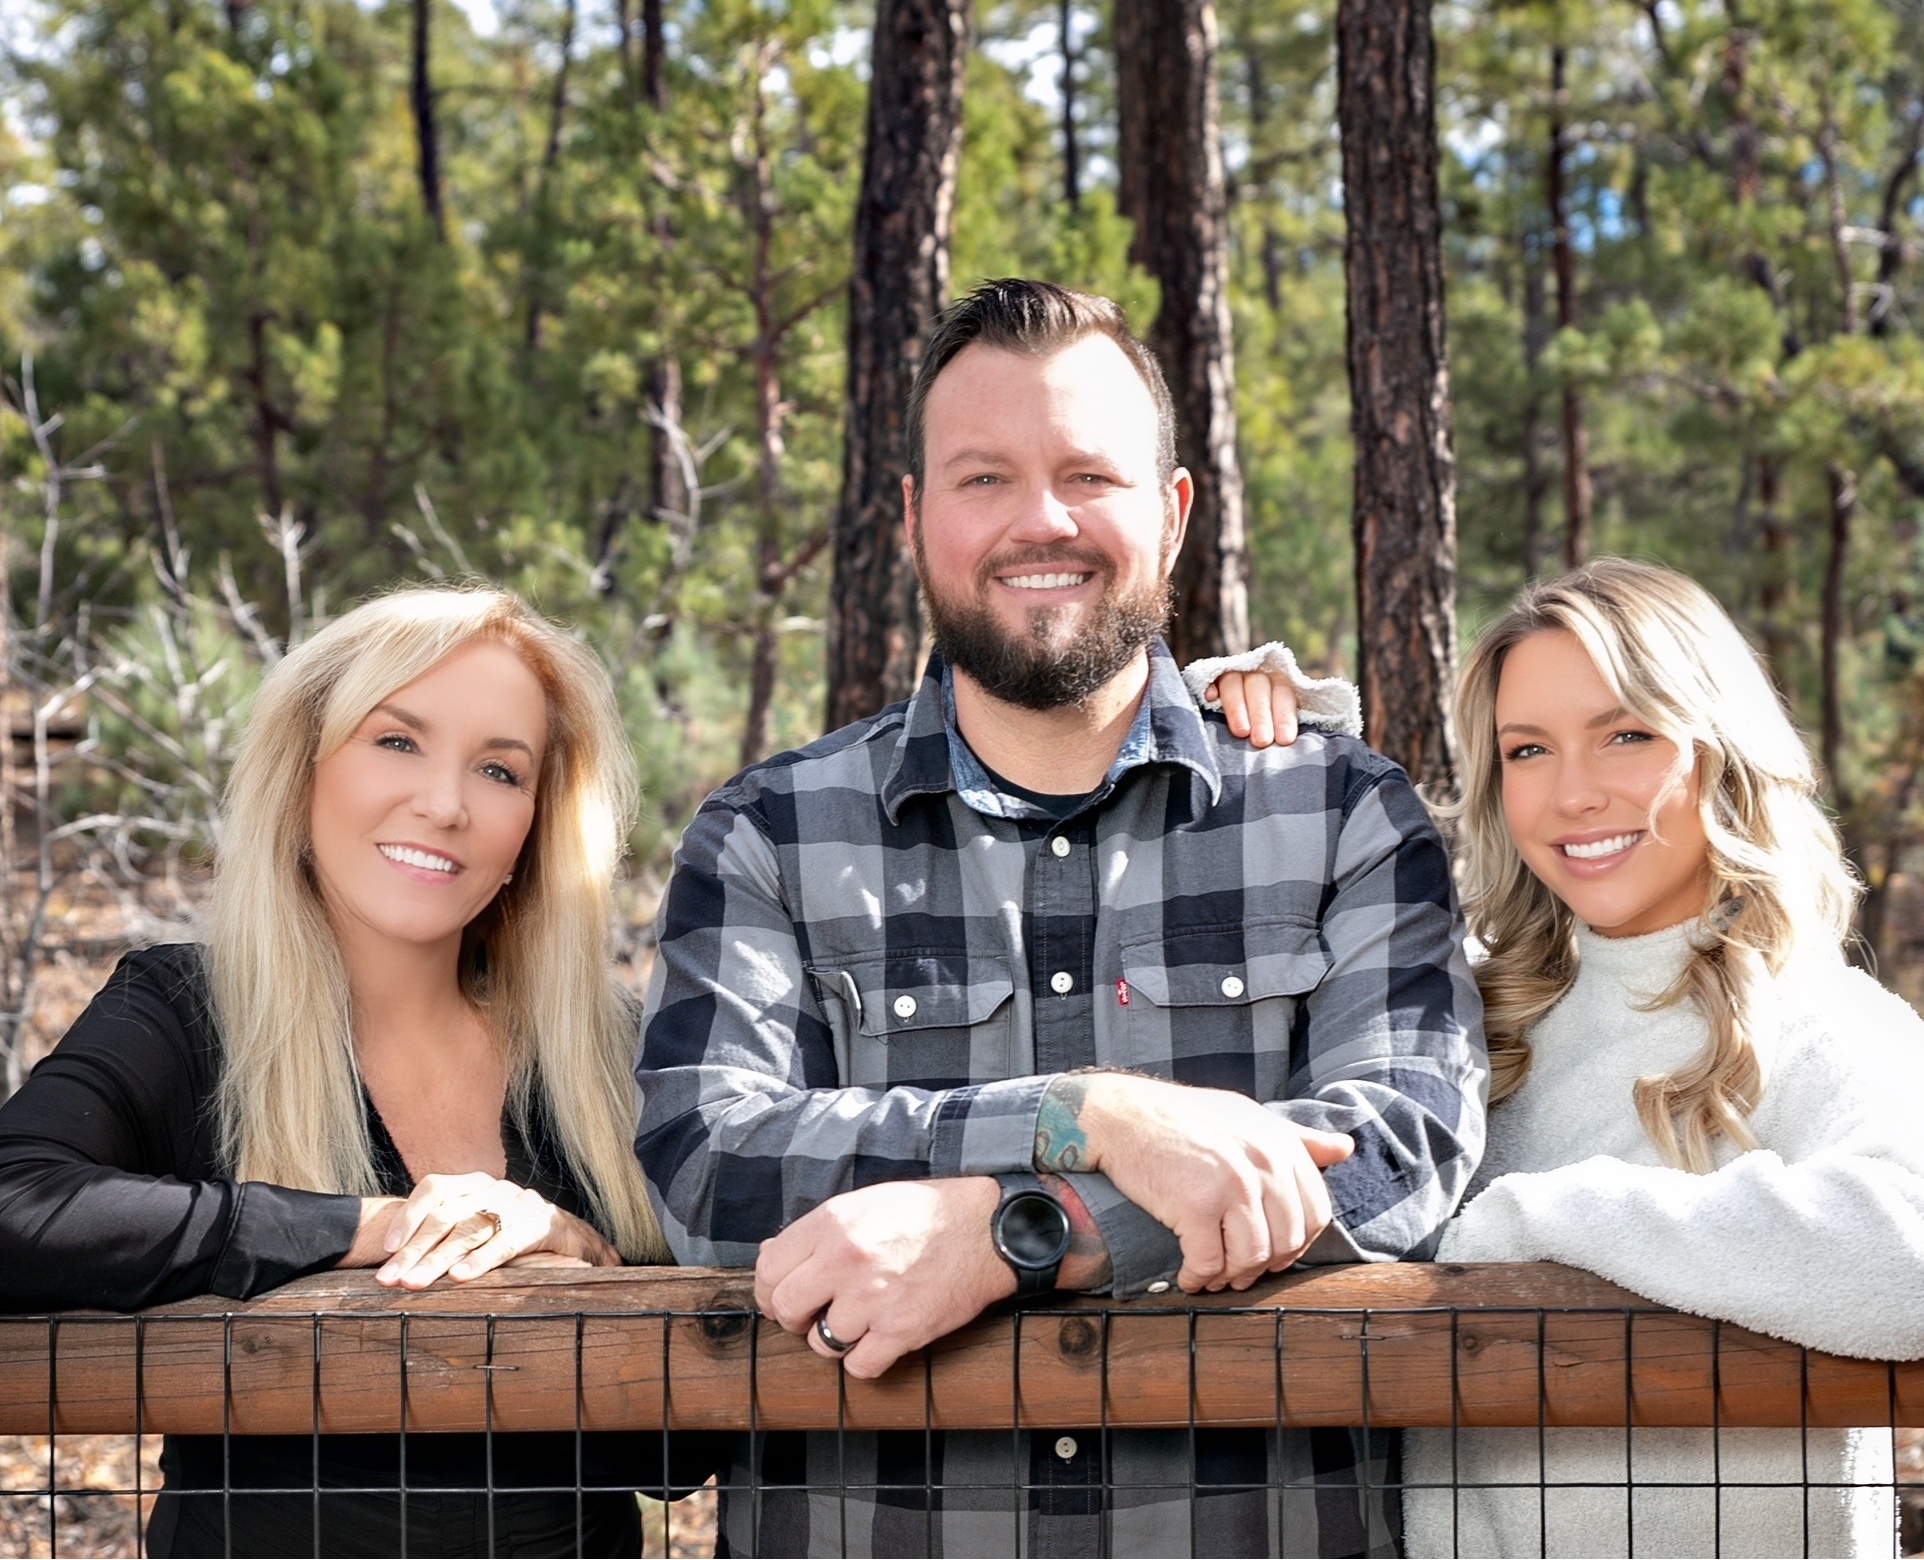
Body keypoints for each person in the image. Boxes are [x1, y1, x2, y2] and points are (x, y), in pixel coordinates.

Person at [635, 278, 1488, 1557]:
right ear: (916, 519)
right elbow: (708, 1160)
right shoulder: (769, 834)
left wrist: (1021, 1232)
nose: (1042, 521)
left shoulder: (1340, 814)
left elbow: (1401, 1145)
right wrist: (1086, 1117)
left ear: (1173, 512)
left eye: (1089, 473)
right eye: (983, 478)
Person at [1207, 559, 1924, 1557]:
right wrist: (1219, 734)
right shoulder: (1465, 1010)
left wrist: (1531, 1226)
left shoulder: (1827, 1020)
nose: (1573, 793)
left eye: (1625, 733)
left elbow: (1910, 1257)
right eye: (1527, 749)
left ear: (1718, 749)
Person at [0, 586, 720, 1557]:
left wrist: (580, 1251)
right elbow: (15, 1203)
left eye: (500, 768)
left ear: (537, 826)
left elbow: (684, 1451)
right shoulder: (181, 1011)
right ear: (303, 771)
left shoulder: (609, 1058)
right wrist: (365, 1225)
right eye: (396, 740)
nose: (445, 802)